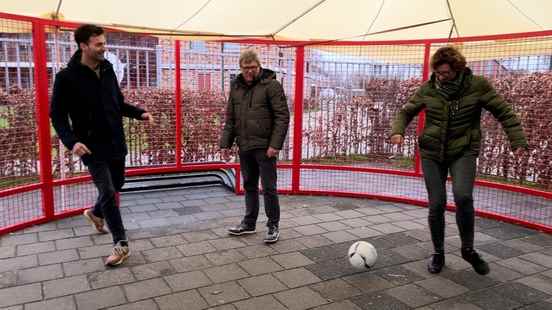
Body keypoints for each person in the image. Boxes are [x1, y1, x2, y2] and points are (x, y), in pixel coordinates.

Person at [390, 46, 527, 275]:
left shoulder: (477, 86)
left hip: (463, 150)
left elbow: (504, 112)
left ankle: (468, 250)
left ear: (458, 69)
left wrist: (518, 141)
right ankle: (438, 253)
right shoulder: (429, 88)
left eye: (446, 73)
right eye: (438, 73)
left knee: (463, 196)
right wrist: (398, 131)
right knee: (437, 204)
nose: (441, 78)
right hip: (432, 153)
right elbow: (406, 111)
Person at [50, 24, 153, 266]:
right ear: (83, 46)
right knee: (107, 191)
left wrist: (140, 113)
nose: (103, 48)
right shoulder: (66, 78)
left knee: (117, 184)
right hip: (90, 146)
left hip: (116, 141)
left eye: (104, 43)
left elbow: (118, 102)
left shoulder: (107, 69)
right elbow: (57, 115)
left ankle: (95, 213)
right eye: (99, 44)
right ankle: (121, 244)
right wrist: (72, 141)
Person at [220, 49, 290, 243]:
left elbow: (282, 117)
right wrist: (225, 144)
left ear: (259, 66)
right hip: (245, 146)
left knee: (269, 187)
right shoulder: (236, 87)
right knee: (249, 185)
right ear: (240, 68)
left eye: (252, 67)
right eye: (245, 68)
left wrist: (275, 145)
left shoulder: (272, 85)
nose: (249, 72)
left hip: (265, 147)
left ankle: (273, 225)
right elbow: (231, 118)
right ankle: (249, 223)